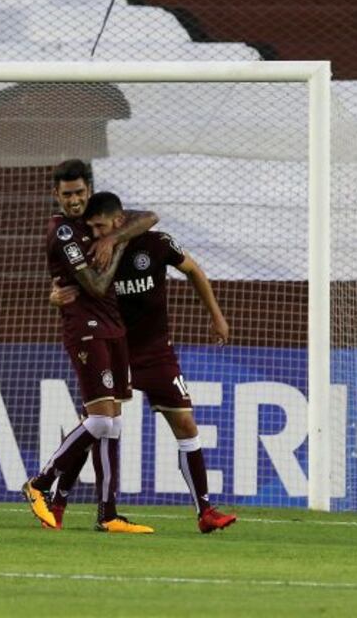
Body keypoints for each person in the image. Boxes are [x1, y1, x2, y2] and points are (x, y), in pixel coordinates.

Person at [49, 191, 237, 533]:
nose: (94, 234)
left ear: (119, 222)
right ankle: (58, 501)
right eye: (90, 228)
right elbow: (64, 285)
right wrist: (55, 295)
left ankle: (206, 511)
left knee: (186, 424)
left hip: (155, 351)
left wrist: (217, 316)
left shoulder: (157, 244)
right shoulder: (91, 254)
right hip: (112, 347)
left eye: (100, 226)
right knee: (98, 425)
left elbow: (194, 270)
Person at [23, 159, 157, 534]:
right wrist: (115, 246)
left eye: (80, 192)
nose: (75, 200)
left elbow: (150, 216)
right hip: (85, 328)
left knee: (111, 424)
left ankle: (108, 513)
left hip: (113, 327)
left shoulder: (95, 222)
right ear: (56, 195)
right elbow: (96, 286)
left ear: (89, 189)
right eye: (67, 194)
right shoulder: (63, 232)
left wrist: (112, 235)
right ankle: (39, 483)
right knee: (99, 419)